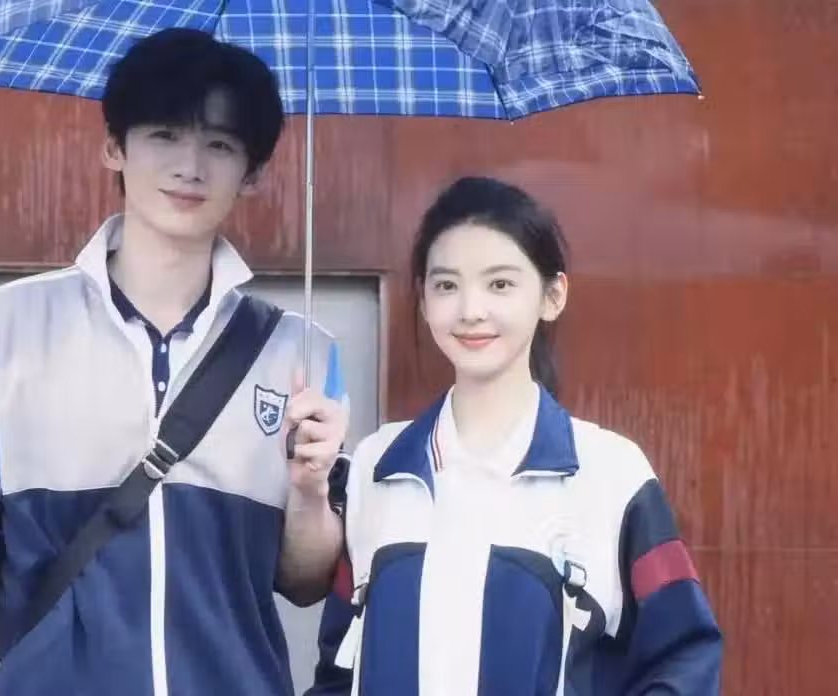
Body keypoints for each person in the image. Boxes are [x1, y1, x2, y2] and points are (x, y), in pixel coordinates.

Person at [0, 28, 349, 696]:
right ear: (114, 147)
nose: (190, 166)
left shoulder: (302, 354)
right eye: (164, 135)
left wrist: (309, 491)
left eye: (220, 145)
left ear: (251, 174)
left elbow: (305, 583)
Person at [305, 176, 722, 695]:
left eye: (499, 284)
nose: (470, 310)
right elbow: (339, 666)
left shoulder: (612, 475)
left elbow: (685, 657)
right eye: (446, 285)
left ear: (552, 295)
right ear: (423, 299)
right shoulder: (376, 467)